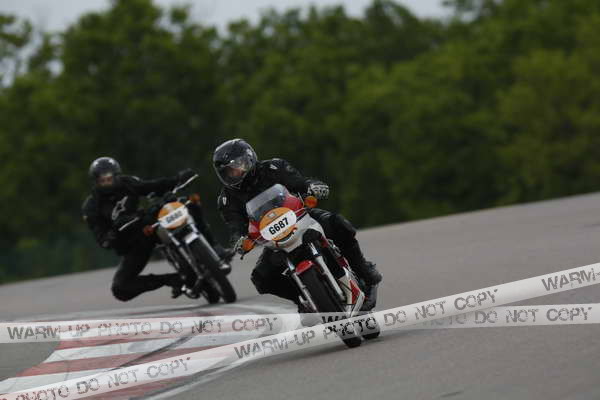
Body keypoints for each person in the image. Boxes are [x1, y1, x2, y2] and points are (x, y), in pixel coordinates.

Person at [213, 139, 382, 311]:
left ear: (248, 158)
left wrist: (312, 186)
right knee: (261, 279)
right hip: (272, 239)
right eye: (228, 171)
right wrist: (240, 241)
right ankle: (303, 300)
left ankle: (363, 270)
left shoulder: (274, 167)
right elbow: (235, 227)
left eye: (236, 166)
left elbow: (300, 183)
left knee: (339, 225)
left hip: (300, 217)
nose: (233, 173)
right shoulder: (226, 200)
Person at [82, 156, 225, 301]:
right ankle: (172, 279)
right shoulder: (91, 207)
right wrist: (113, 234)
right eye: (103, 180)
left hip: (146, 223)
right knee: (120, 288)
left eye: (110, 178)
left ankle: (214, 247)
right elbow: (101, 238)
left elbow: (150, 186)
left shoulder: (127, 183)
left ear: (116, 176)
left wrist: (176, 180)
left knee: (187, 204)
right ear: (96, 181)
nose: (107, 182)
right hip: (132, 244)